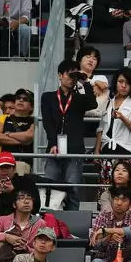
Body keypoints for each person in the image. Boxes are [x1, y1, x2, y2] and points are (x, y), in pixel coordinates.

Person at [41, 60, 99, 211]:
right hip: (54, 149)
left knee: (73, 191)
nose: (72, 78)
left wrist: (85, 82)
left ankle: (71, 228)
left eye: (75, 74)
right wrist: (53, 142)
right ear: (60, 75)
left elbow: (93, 104)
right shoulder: (48, 97)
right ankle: (51, 225)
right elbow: (48, 123)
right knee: (51, 190)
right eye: (69, 74)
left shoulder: (78, 98)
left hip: (74, 149)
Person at [95, 68, 131, 188]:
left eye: (127, 83)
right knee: (105, 190)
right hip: (106, 152)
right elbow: (101, 128)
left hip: (126, 152)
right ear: (115, 83)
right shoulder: (109, 102)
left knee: (125, 193)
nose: (124, 85)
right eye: (120, 81)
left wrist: (123, 119)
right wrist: (96, 151)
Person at [0, 184, 46, 262]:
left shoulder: (40, 224)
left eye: (30, 199)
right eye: (21, 198)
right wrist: (6, 237)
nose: (26, 201)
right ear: (14, 204)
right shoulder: (3, 220)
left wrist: (26, 248)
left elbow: (43, 249)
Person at [0, 87, 34, 173]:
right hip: (3, 162)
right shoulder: (3, 118)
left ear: (31, 107)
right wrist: (23, 141)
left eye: (25, 99)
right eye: (18, 98)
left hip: (22, 164)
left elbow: (29, 136)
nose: (21, 100)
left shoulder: (34, 120)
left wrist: (8, 134)